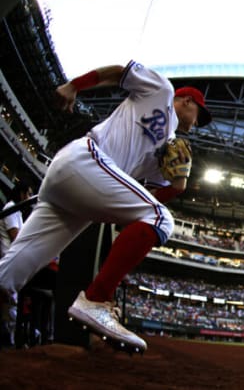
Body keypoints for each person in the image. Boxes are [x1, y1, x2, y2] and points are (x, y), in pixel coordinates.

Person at [0, 60, 212, 353]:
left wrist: (177, 186)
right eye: (200, 113)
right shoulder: (162, 91)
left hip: (81, 195)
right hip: (86, 158)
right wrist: (75, 85)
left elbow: (148, 196)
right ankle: (97, 299)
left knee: (6, 279)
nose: (199, 122)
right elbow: (117, 72)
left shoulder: (169, 147)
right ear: (187, 101)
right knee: (161, 219)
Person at [0, 181, 33, 347]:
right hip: (7, 259)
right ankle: (11, 340)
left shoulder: (17, 211)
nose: (29, 197)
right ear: (21, 194)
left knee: (13, 303)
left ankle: (13, 337)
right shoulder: (11, 208)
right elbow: (16, 236)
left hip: (14, 259)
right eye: (28, 193)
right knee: (10, 302)